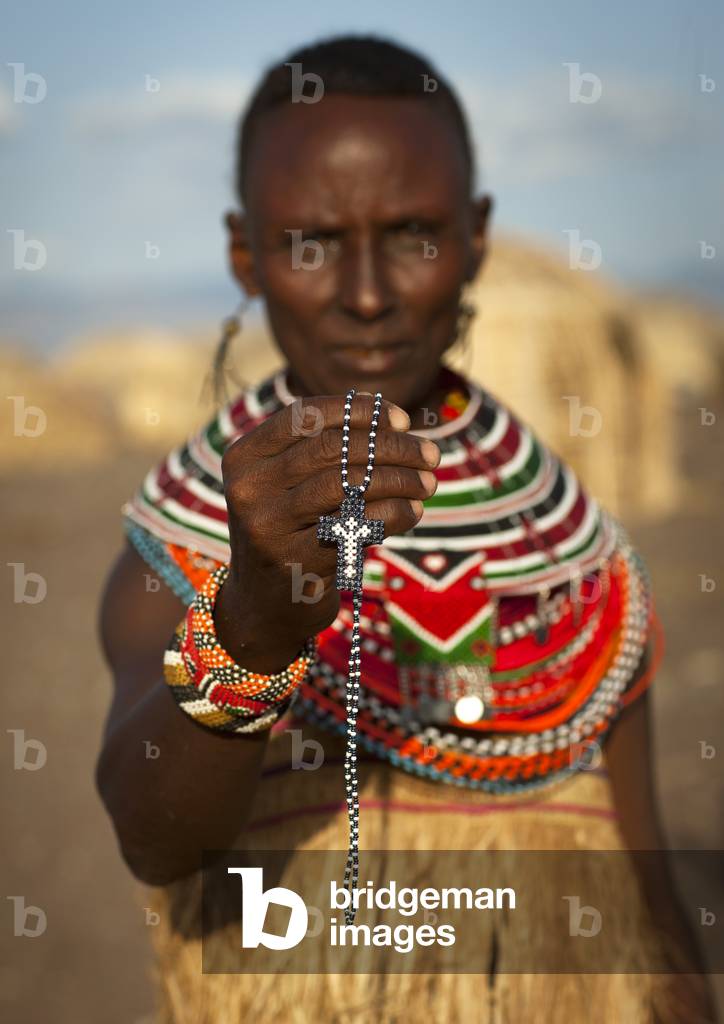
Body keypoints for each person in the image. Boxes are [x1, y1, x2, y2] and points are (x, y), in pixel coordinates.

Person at [95, 34, 717, 1024]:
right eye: (310, 243)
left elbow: (645, 902)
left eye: (415, 234)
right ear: (244, 255)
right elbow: (156, 837)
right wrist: (253, 620)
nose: (370, 293)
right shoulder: (184, 541)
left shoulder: (577, 561)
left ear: (475, 238)